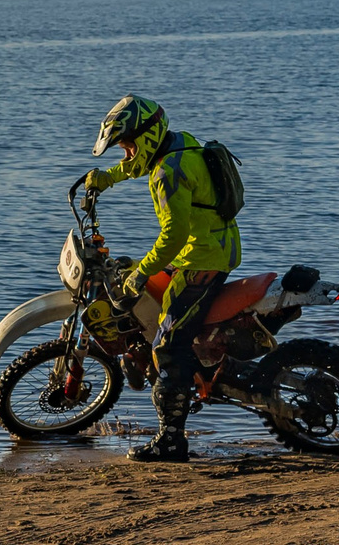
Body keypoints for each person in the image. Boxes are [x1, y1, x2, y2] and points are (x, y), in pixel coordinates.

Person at [84, 95, 240, 464]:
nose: (125, 154)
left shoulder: (167, 172)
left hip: (200, 260)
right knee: (132, 271)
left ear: (148, 138)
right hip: (210, 246)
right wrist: (107, 178)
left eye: (127, 146)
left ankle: (171, 441)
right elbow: (135, 165)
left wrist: (141, 274)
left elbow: (171, 236)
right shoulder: (181, 143)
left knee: (168, 347)